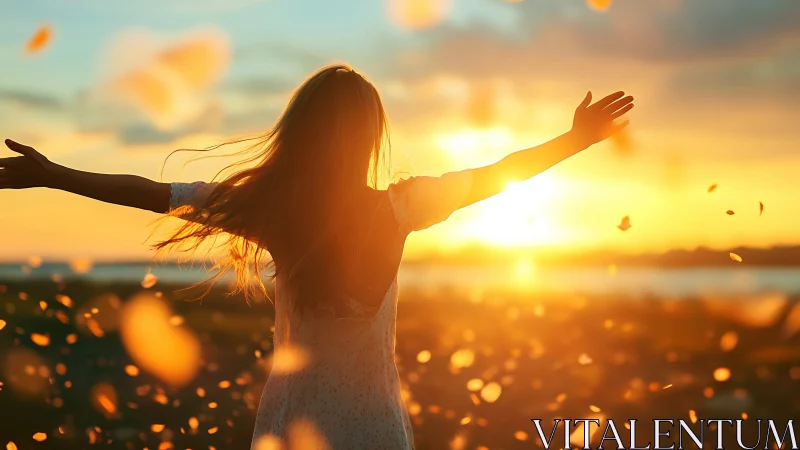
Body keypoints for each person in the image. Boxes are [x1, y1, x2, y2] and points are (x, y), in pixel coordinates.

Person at [0, 64, 633, 449]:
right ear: (371, 137)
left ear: (302, 131)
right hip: (375, 428)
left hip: (292, 424)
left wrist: (55, 175)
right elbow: (499, 173)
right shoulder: (402, 206)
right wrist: (575, 140)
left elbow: (154, 193)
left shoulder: (271, 209)